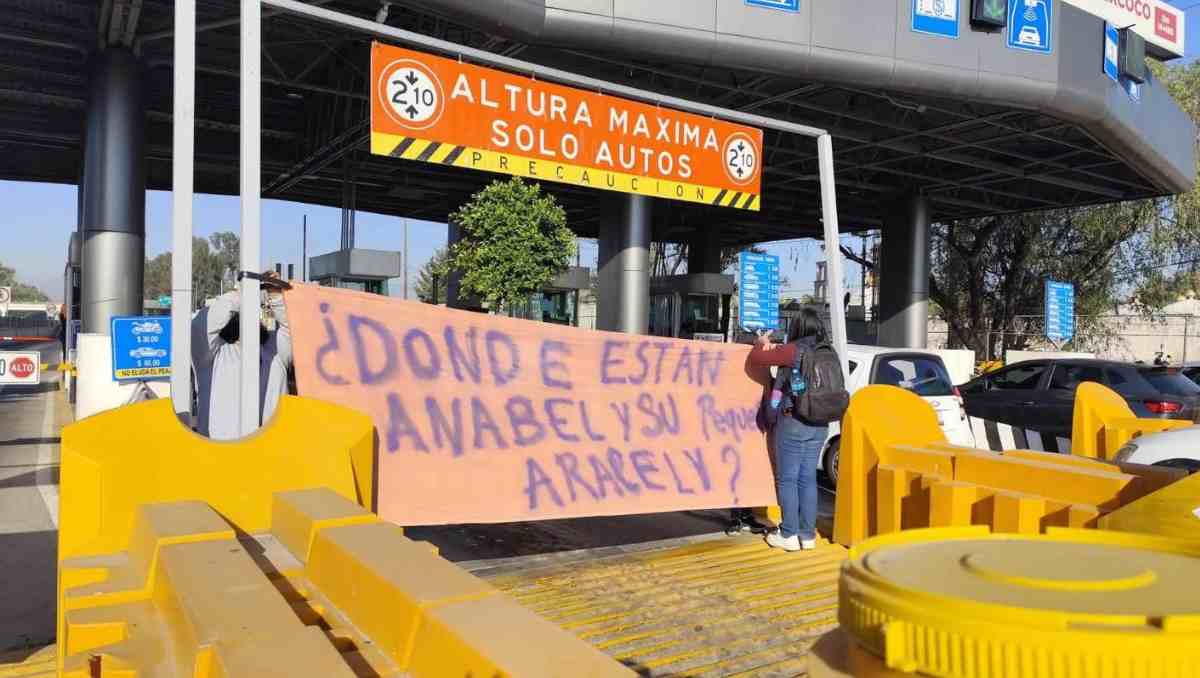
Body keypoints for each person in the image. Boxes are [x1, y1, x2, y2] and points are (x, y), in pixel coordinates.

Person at [748, 309, 832, 551]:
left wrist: (762, 343)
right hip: (820, 423)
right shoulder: (829, 352)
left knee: (788, 479)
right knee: (807, 479)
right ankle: (807, 535)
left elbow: (756, 359)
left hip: (794, 421)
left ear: (798, 327)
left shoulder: (794, 349)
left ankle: (788, 534)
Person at [190, 272, 292, 440]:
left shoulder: (275, 351)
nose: (253, 318)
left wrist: (274, 292)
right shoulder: (212, 356)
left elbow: (293, 328)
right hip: (221, 455)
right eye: (243, 313)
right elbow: (204, 323)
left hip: (272, 454)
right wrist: (246, 292)